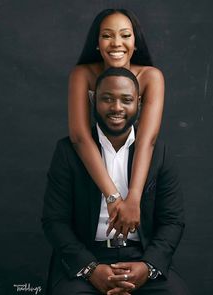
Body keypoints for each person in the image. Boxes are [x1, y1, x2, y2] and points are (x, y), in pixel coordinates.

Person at [42, 67, 189, 295]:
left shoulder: (159, 153)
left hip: (141, 257)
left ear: (138, 102)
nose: (117, 108)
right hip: (88, 258)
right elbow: (54, 221)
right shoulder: (67, 152)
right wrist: (90, 269)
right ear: (93, 100)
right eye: (107, 99)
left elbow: (173, 221)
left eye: (126, 100)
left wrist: (147, 267)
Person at [68, 9, 165, 238]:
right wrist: (112, 196)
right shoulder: (82, 74)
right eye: (107, 35)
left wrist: (133, 198)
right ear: (97, 42)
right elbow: (80, 137)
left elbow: (146, 140)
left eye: (125, 35)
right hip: (90, 165)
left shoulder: (151, 77)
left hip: (135, 165)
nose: (116, 43)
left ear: (135, 42)